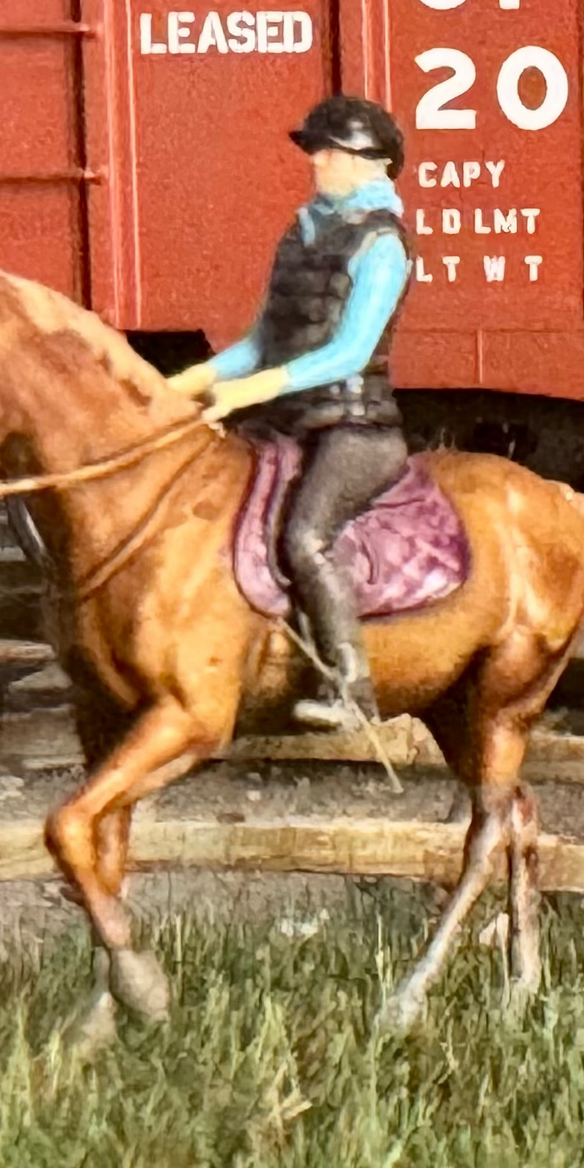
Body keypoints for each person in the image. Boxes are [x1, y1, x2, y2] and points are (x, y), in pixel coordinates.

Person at [169, 95, 412, 729]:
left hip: (355, 428)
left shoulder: (382, 245)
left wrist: (251, 392)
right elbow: (260, 342)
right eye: (318, 152)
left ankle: (350, 689)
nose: (319, 163)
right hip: (291, 420)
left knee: (306, 538)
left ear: (374, 163)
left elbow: (349, 352)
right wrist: (188, 381)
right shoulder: (303, 231)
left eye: (332, 153)